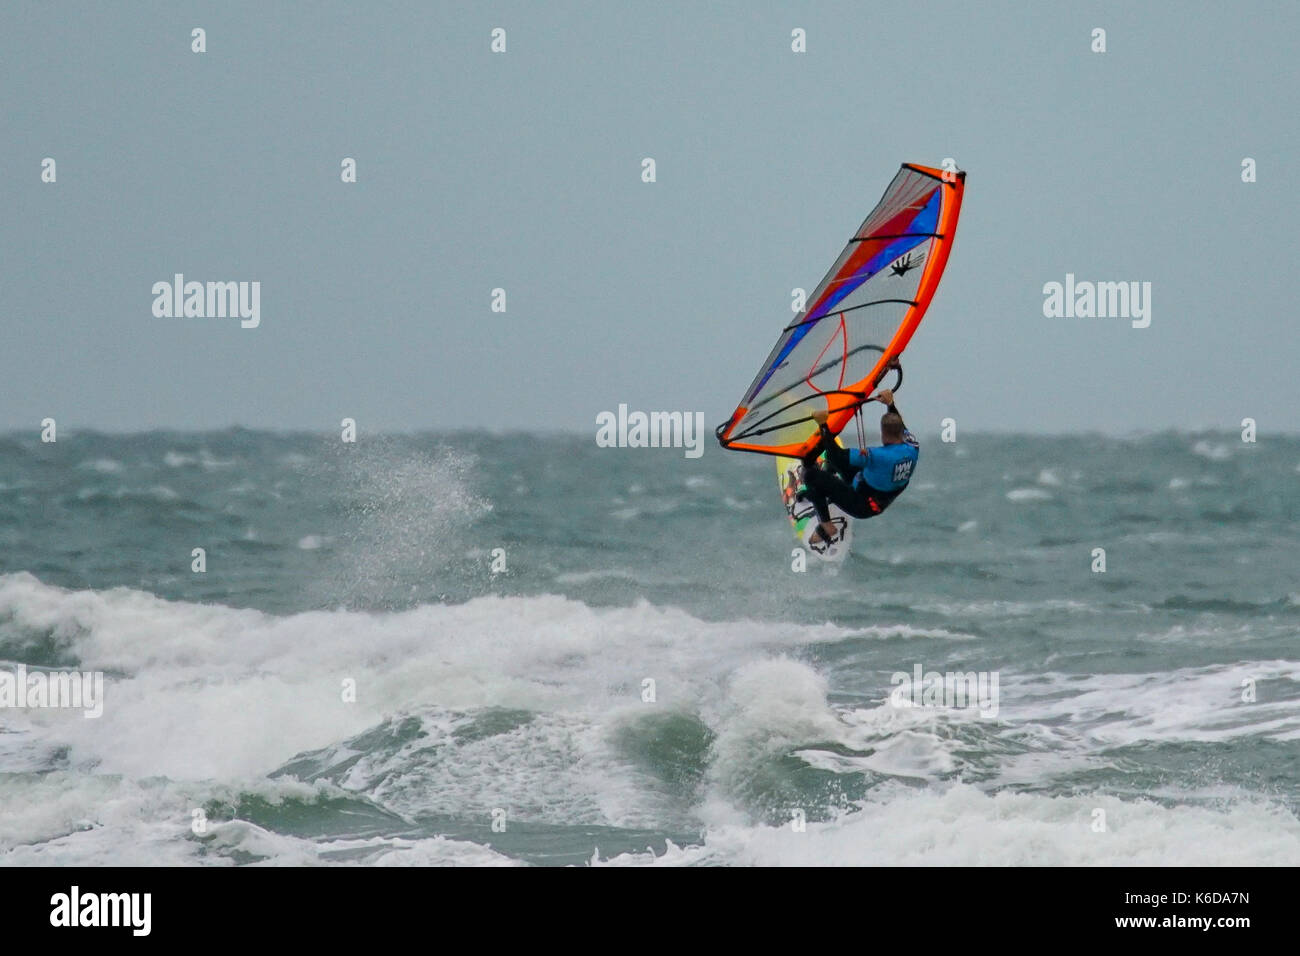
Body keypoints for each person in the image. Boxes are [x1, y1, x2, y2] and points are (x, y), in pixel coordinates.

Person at [799, 387, 918, 546]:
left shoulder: (878, 456)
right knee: (833, 462)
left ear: (883, 434)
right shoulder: (913, 447)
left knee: (810, 475)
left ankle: (827, 527)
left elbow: (837, 457)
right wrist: (890, 404)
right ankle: (827, 487)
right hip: (875, 491)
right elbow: (899, 425)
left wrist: (823, 425)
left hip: (861, 504)